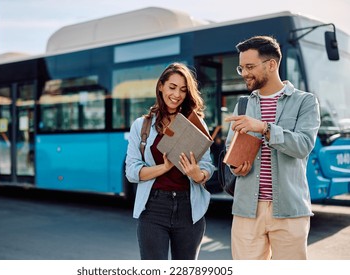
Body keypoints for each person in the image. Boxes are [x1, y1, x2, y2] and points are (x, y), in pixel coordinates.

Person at [224, 36, 320, 260]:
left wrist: (265, 128)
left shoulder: (305, 102)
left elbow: (303, 146)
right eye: (241, 68)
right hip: (247, 210)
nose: (244, 73)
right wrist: (236, 166)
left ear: (271, 64)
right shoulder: (243, 104)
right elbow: (231, 147)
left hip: (289, 210)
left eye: (249, 67)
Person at [125, 62, 215, 260]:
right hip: (154, 208)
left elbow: (208, 166)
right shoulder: (141, 125)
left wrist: (197, 174)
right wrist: (164, 167)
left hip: (189, 209)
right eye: (172, 87)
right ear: (161, 86)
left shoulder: (195, 123)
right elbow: (132, 172)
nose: (177, 94)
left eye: (183, 90)